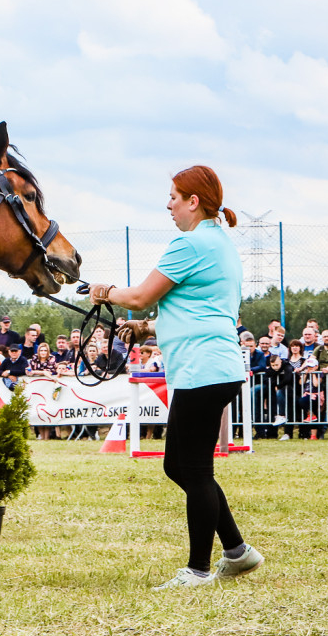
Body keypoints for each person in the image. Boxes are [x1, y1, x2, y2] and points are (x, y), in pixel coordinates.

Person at [85, 165, 262, 589]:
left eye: (174, 197)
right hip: (208, 366)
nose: (168, 205)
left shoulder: (189, 242)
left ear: (193, 202)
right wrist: (148, 329)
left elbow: (142, 295)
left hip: (203, 369)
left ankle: (199, 570)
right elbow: (196, 307)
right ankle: (237, 551)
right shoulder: (217, 243)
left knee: (195, 470)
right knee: (177, 466)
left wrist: (104, 291)